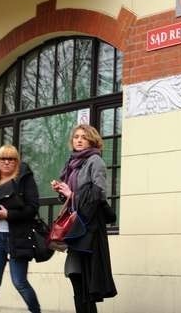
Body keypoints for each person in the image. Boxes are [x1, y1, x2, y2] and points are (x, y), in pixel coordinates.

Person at [51, 124, 117, 313]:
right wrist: (63, 192)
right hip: (75, 231)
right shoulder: (72, 164)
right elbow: (74, 198)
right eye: (76, 137)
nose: (79, 140)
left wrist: (72, 194)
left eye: (84, 137)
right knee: (75, 277)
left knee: (86, 285)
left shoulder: (95, 161)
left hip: (89, 231)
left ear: (92, 140)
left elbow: (99, 196)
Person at [0, 144, 41, 313]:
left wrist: (8, 215)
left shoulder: (25, 179)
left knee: (20, 282)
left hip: (17, 238)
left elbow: (32, 208)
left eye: (11, 159)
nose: (7, 162)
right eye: (3, 158)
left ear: (17, 162)